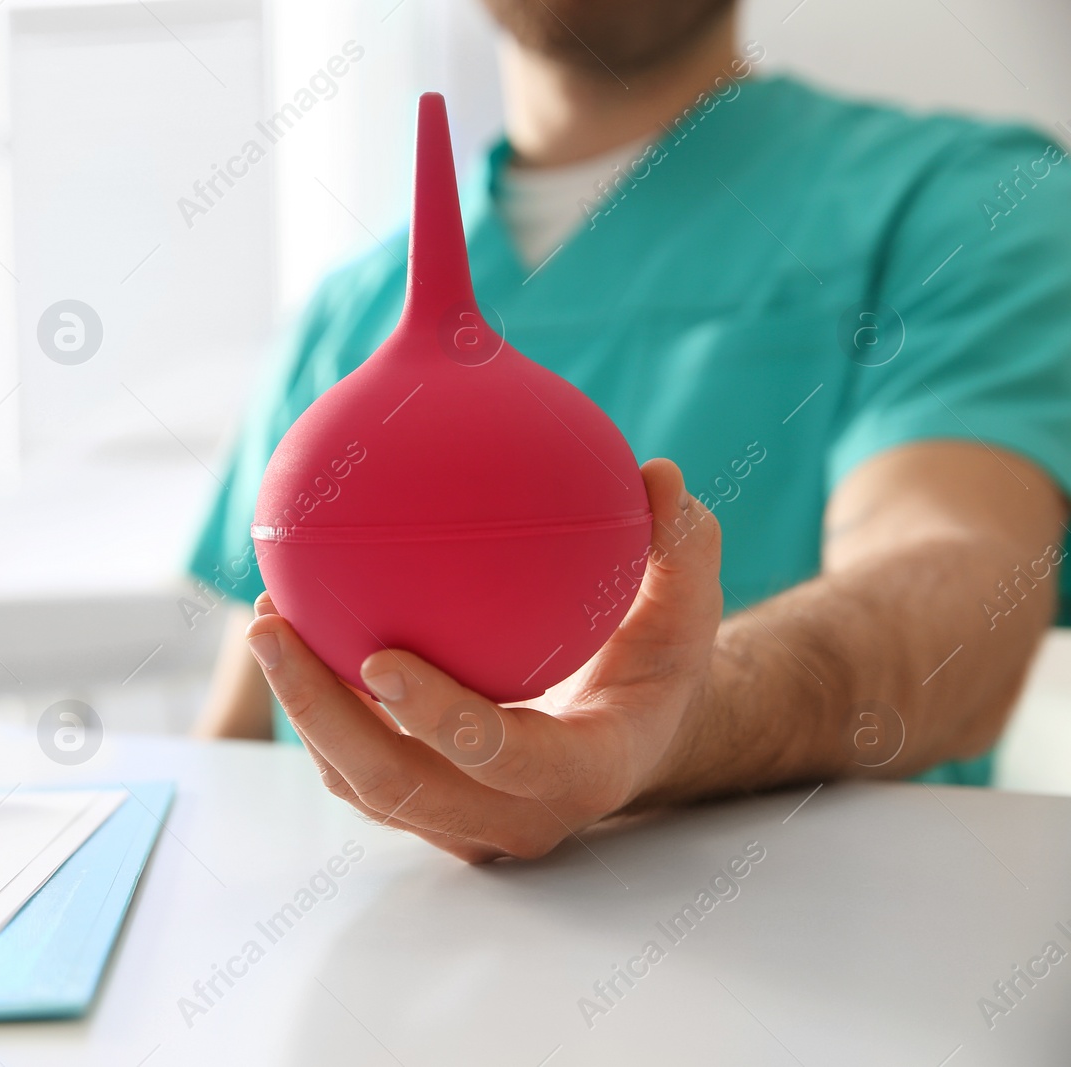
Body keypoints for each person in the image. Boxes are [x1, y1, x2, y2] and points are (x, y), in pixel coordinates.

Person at [187, 0, 1071, 862]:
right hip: (357, 965)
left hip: (819, 969)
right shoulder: (346, 313)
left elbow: (961, 576)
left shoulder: (965, 206)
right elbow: (245, 724)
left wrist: (686, 717)